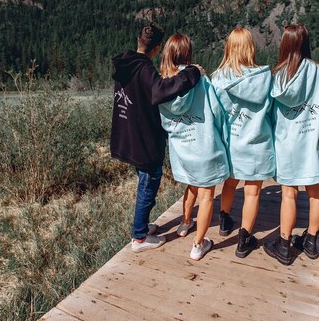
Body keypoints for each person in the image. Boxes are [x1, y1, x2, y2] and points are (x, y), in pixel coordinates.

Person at [110, 24, 204, 253]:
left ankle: (142, 226)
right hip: (143, 139)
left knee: (144, 181)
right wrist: (191, 72)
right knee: (148, 184)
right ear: (158, 47)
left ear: (138, 40)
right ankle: (139, 238)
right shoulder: (144, 69)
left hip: (128, 135)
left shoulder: (125, 66)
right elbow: (162, 90)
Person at [263, 24, 319, 265]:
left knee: (289, 195)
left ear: (285, 44)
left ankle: (283, 245)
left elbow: (270, 113)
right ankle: (312, 242)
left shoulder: (277, 76)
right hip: (312, 141)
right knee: (315, 193)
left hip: (286, 144)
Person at [158, 33, 230, 260]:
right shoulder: (202, 81)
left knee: (191, 185)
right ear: (188, 53)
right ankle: (199, 244)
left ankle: (185, 223)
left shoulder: (163, 85)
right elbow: (218, 113)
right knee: (207, 195)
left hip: (183, 150)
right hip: (205, 146)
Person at [211, 27, 275, 258]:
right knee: (252, 193)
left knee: (229, 183)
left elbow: (215, 114)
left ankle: (225, 220)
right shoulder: (265, 78)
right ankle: (244, 239)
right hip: (257, 144)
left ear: (229, 47)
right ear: (250, 47)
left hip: (230, 142)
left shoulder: (217, 78)